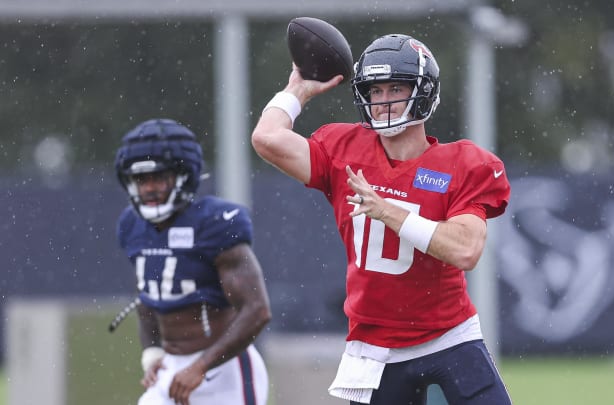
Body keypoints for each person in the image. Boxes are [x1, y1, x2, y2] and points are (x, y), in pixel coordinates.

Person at [251, 34, 512, 404]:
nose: (384, 101)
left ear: (423, 92)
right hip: (375, 347)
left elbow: (466, 249)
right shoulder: (343, 149)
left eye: (395, 88)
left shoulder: (461, 164)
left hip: (448, 338)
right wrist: (298, 90)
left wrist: (387, 209)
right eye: (375, 91)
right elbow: (267, 138)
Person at [115, 118, 272, 405]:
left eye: (158, 178)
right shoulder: (132, 226)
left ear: (183, 176)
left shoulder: (213, 223)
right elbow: (147, 297)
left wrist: (200, 366)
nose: (148, 188)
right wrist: (152, 353)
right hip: (172, 368)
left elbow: (257, 310)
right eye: (141, 179)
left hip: (225, 370)